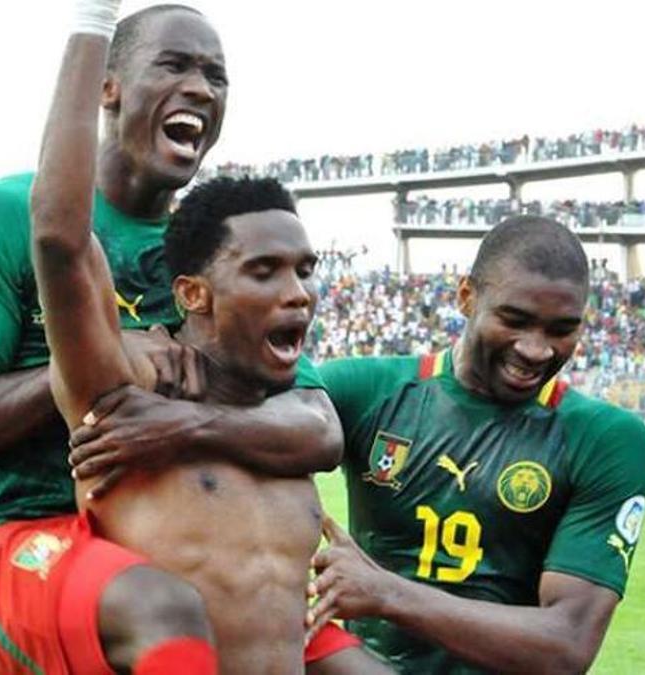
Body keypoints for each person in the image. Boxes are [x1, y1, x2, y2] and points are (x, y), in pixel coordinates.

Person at [0, 4, 348, 674]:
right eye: (175, 65)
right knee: (161, 610)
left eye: (217, 76)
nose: (202, 88)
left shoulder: (214, 250)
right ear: (109, 87)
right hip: (22, 532)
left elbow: (317, 426)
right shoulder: (2, 214)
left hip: (169, 538)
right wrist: (108, 357)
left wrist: (178, 425)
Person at [27, 3, 392, 670]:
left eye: (306, 271)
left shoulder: (291, 414)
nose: (299, 292)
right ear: (193, 292)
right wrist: (92, 22)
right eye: (265, 270)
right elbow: (58, 239)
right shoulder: (123, 386)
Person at [307, 216, 645, 673]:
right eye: (515, 320)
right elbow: (252, 424)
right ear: (466, 297)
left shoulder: (608, 439)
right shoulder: (367, 390)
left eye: (561, 329)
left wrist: (386, 592)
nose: (536, 349)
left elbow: (567, 646)